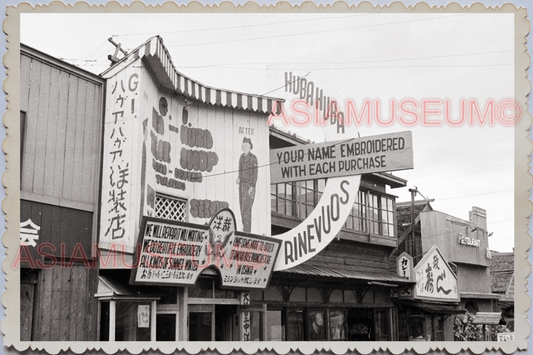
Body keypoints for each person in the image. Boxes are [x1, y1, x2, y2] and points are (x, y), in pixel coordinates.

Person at [236, 137, 257, 233]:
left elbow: (255, 174)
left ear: (250, 146)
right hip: (242, 185)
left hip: (249, 185)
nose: (244, 147)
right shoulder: (241, 157)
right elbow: (240, 170)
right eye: (243, 145)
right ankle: (245, 230)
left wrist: (252, 186)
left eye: (246, 145)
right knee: (242, 208)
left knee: (247, 210)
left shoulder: (253, 158)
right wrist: (239, 178)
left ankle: (247, 232)